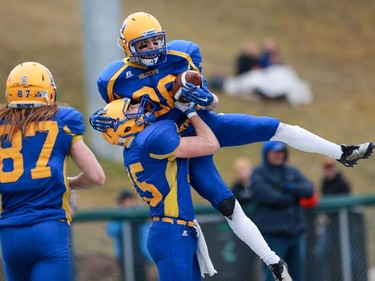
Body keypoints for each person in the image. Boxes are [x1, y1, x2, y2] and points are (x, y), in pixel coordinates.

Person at [89, 11, 373, 280]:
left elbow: (212, 102)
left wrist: (198, 98)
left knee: (273, 127)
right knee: (226, 203)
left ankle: (341, 151)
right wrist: (105, 118)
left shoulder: (182, 54)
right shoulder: (114, 80)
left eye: (155, 41)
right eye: (144, 44)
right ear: (127, 47)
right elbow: (123, 117)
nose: (151, 48)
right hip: (177, 143)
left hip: (197, 124)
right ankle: (272, 260)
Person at [0, 62, 105, 281]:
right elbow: (96, 176)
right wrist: (72, 182)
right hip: (49, 228)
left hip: (10, 233)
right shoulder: (62, 120)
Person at [98, 96, 220, 281]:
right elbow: (212, 144)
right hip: (172, 232)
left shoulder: (136, 147)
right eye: (130, 108)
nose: (138, 106)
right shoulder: (150, 142)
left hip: (174, 230)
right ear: (123, 125)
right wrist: (190, 112)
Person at [250, 141, 314, 281]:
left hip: (295, 233)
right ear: (267, 154)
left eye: (281, 152)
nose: (278, 155)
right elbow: (269, 197)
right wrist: (294, 196)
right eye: (275, 152)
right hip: (273, 235)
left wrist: (289, 188)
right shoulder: (259, 173)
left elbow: (309, 189)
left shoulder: (291, 170)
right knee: (274, 276)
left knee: (297, 275)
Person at [106, 189, 157, 281]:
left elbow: (148, 232)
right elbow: (111, 231)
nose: (128, 203)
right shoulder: (117, 217)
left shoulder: (141, 216)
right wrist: (122, 219)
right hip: (124, 257)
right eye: (125, 201)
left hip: (141, 257)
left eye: (130, 200)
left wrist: (149, 256)